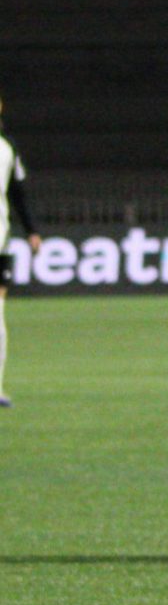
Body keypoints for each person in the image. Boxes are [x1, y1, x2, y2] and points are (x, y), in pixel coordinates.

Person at [0, 92, 42, 409]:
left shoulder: (7, 148)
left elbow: (17, 194)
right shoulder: (7, 148)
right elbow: (19, 194)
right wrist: (32, 232)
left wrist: (32, 231)